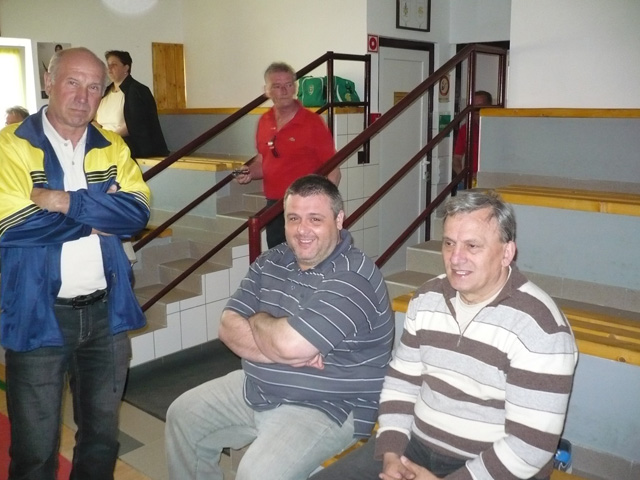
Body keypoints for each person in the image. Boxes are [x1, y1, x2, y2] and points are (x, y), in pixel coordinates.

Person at [310, 189, 578, 480]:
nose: (456, 258)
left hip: (492, 467)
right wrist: (391, 453)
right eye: (449, 243)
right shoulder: (427, 298)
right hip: (414, 446)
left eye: (472, 246)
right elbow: (402, 383)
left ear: (507, 253)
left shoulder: (540, 327)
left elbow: (530, 447)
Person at [165, 174, 394, 480]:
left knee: (257, 474)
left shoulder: (354, 277)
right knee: (183, 415)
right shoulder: (272, 260)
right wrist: (284, 351)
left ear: (339, 220)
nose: (302, 230)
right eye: (293, 218)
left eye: (315, 219)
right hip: (256, 386)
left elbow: (289, 344)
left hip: (326, 405)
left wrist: (258, 319)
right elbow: (227, 327)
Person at [0, 47, 151, 479]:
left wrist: (60, 201)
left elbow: (136, 214)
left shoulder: (112, 146)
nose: (83, 96)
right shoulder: (9, 146)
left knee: (102, 439)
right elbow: (12, 226)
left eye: (94, 87)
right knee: (34, 448)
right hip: (38, 314)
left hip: (107, 315)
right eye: (72, 82)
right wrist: (98, 214)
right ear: (49, 82)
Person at [234, 62, 341, 248]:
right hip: (275, 206)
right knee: (278, 259)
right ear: (267, 91)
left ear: (295, 88)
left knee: (306, 259)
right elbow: (263, 160)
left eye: (289, 85)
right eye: (277, 86)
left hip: (304, 207)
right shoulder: (264, 121)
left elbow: (334, 169)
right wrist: (249, 172)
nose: (284, 91)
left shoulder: (312, 122)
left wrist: (322, 206)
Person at [95, 49, 169, 158]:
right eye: (108, 65)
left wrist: (108, 139)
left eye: (114, 65)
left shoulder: (138, 90)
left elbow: (134, 125)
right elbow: (95, 121)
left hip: (132, 146)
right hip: (107, 143)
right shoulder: (105, 92)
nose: (109, 68)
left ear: (126, 68)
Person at [452, 90, 492, 187]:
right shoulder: (465, 129)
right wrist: (463, 176)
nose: (476, 110)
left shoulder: (499, 128)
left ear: (490, 107)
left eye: (481, 106)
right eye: (474, 107)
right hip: (470, 179)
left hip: (492, 179)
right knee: (461, 189)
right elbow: (456, 158)